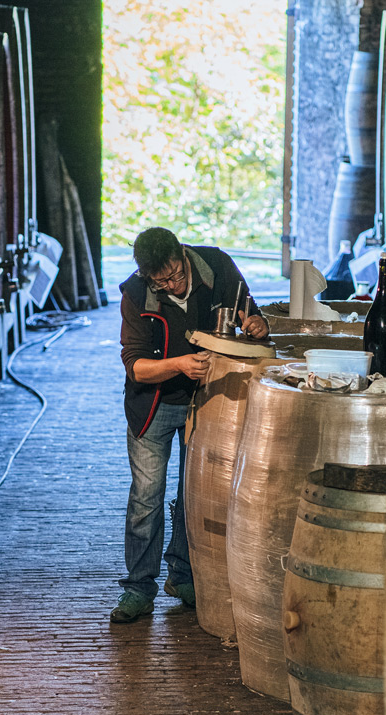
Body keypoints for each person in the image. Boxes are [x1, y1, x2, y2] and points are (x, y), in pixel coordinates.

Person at [113, 227, 269, 623]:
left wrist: (256, 323)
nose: (173, 284)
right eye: (162, 281)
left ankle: (182, 576)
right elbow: (135, 367)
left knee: (192, 492)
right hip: (154, 405)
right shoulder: (136, 294)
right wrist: (179, 365)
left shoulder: (214, 264)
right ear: (148, 276)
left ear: (183, 255)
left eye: (176, 274)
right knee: (147, 496)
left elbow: (249, 309)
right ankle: (138, 588)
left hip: (206, 401)